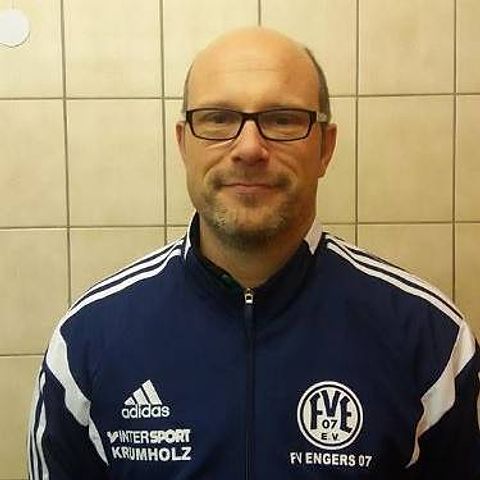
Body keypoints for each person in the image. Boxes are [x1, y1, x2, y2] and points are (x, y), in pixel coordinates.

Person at [28, 27, 480, 479]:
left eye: (283, 119)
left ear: (325, 147)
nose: (248, 148)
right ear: (184, 144)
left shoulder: (431, 340)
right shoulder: (87, 341)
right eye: (217, 118)